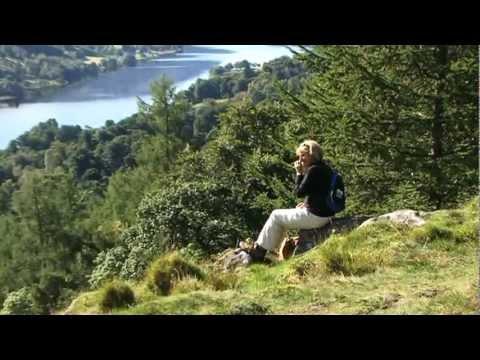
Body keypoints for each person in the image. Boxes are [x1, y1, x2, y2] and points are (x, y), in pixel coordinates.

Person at [240, 140, 335, 264]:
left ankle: (259, 252)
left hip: (316, 217)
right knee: (283, 217)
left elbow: (298, 192)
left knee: (276, 215)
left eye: (303, 155)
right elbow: (319, 191)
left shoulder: (313, 170)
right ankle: (270, 252)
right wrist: (307, 204)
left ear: (312, 154)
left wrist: (299, 173)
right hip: (327, 214)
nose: (300, 159)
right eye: (299, 156)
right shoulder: (325, 168)